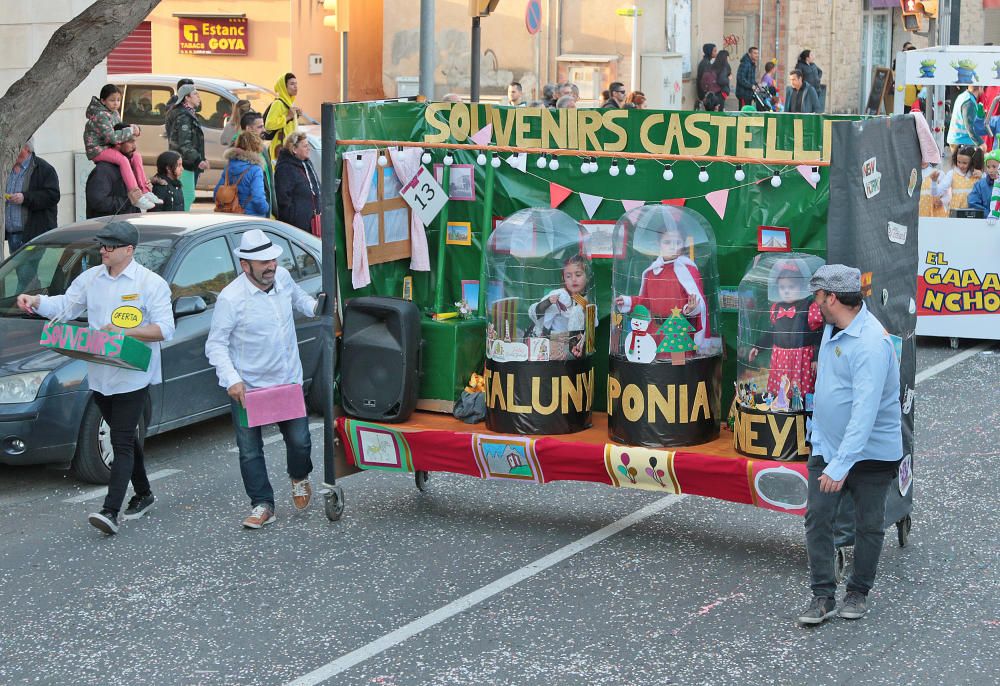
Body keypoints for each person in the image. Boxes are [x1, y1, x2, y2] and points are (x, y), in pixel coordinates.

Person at [16, 221, 175, 535]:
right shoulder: (91, 279)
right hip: (100, 373)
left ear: (129, 250)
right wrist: (35, 302)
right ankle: (144, 494)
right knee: (126, 435)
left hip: (133, 375)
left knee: (120, 441)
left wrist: (125, 331)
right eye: (102, 244)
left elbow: (165, 329)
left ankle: (110, 511)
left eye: (110, 246)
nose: (103, 249)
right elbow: (66, 305)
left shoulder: (151, 283)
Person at [797, 264, 902, 625]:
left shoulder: (872, 343)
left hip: (870, 454)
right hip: (829, 447)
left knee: (869, 525)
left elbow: (864, 411)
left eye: (818, 296)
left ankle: (858, 591)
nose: (815, 303)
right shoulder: (832, 328)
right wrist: (822, 446)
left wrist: (841, 465)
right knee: (817, 519)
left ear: (834, 298)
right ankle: (822, 596)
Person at [205, 229, 319, 528]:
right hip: (250, 388)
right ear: (246, 266)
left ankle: (299, 476)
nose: (271, 266)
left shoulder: (282, 279)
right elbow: (215, 344)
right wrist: (231, 379)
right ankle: (262, 504)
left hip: (287, 380)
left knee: (300, 441)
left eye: (273, 260)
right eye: (263, 262)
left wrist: (317, 308)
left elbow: (299, 299)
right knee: (250, 450)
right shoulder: (231, 299)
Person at [615, 224, 708, 358]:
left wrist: (691, 308)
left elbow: (698, 301)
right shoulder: (651, 272)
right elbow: (645, 301)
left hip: (677, 331)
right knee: (656, 370)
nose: (672, 246)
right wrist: (627, 301)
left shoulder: (688, 270)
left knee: (677, 369)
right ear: (658, 244)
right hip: (655, 330)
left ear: (683, 245)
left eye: (677, 242)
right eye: (667, 242)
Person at [748, 264, 824, 400]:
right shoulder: (776, 308)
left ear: (801, 287)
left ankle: (801, 413)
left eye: (791, 287)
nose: (786, 291)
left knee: (800, 390)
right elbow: (772, 333)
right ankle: (781, 408)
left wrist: (816, 357)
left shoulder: (810, 307)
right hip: (780, 358)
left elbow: (818, 334)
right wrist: (757, 346)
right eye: (782, 288)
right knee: (781, 389)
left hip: (801, 358)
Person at [84, 84, 159, 211]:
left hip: (109, 146)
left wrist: (135, 129)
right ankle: (136, 196)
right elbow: (112, 137)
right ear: (103, 101)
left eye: (118, 100)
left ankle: (144, 190)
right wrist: (131, 130)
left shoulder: (114, 113)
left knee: (136, 156)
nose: (116, 103)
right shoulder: (101, 115)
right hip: (97, 149)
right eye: (112, 100)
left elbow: (120, 127)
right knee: (123, 160)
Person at [527, 254, 595, 359]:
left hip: (576, 345)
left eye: (578, 275)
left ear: (587, 277)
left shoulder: (587, 299)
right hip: (554, 342)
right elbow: (536, 312)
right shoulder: (560, 295)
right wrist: (548, 302)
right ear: (563, 278)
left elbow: (591, 327)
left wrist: (585, 309)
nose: (573, 279)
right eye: (568, 276)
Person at [4, 137, 60, 253]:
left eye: (15, 148)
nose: (11, 151)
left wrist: (25, 198)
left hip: (32, 234)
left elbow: (52, 196)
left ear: (27, 149)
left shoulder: (44, 169)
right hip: (11, 234)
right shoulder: (6, 167)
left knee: (26, 270)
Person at [167, 84, 208, 210]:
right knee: (187, 196)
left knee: (184, 196)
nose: (199, 97)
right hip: (184, 163)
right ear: (187, 98)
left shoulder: (187, 113)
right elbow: (184, 143)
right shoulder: (184, 116)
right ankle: (182, 222)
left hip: (185, 162)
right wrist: (198, 160)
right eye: (195, 94)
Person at [274, 131, 321, 234]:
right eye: (305, 146)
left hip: (313, 223)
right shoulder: (284, 168)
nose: (308, 149)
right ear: (294, 149)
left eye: (308, 145)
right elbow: (283, 200)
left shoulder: (306, 163)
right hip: (297, 227)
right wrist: (295, 218)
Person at [86, 133, 141, 218]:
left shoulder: (127, 167)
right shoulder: (103, 170)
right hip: (108, 228)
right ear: (117, 144)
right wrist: (129, 200)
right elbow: (98, 203)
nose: (134, 147)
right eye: (130, 142)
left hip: (126, 226)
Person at [215, 131, 270, 217]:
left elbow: (216, 192)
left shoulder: (229, 165)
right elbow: (258, 198)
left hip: (230, 214)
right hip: (251, 216)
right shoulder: (255, 169)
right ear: (256, 147)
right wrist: (266, 209)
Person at [928, 145, 984, 212]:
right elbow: (936, 193)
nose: (961, 165)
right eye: (958, 162)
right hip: (956, 215)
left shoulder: (978, 175)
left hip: (974, 213)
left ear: (972, 162)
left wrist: (983, 177)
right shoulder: (952, 174)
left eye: (965, 163)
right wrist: (934, 182)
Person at [240, 111, 275, 213]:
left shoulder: (262, 148)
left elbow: (269, 182)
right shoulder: (240, 152)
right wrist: (264, 207)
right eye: (260, 127)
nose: (264, 130)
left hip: (263, 209)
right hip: (251, 212)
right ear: (248, 129)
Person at [264, 73, 301, 160]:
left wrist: (296, 115)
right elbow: (269, 124)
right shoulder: (278, 103)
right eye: (292, 84)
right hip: (280, 148)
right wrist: (288, 117)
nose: (295, 86)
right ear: (284, 87)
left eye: (296, 83)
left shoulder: (289, 103)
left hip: (289, 148)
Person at [947, 85, 985, 154]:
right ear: (980, 87)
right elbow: (970, 127)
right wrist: (981, 143)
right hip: (962, 141)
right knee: (967, 164)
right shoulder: (969, 102)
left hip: (957, 140)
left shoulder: (963, 96)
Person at [968, 148, 999, 219]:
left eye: (994, 167)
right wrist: (990, 215)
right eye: (988, 167)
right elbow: (973, 203)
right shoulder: (980, 185)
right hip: (986, 224)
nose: (991, 170)